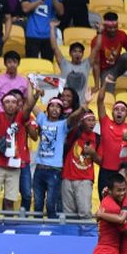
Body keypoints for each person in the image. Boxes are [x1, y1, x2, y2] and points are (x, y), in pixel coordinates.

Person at [32, 90, 91, 218]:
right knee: (37, 203)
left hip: (54, 171)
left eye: (58, 107)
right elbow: (32, 105)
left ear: (61, 111)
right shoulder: (42, 119)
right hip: (39, 169)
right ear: (47, 109)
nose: (54, 109)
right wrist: (35, 95)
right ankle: (35, 230)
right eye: (52, 106)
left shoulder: (63, 125)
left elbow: (74, 117)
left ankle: (52, 233)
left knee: (50, 204)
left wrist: (84, 106)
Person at [0, 84, 38, 211]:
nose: (10, 104)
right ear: (2, 105)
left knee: (9, 202)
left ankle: (8, 229)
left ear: (18, 104)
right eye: (7, 102)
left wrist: (35, 97)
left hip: (14, 168)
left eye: (14, 102)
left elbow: (28, 108)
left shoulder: (22, 117)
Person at [96, 75, 127, 199]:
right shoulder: (105, 123)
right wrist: (105, 83)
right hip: (105, 171)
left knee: (121, 205)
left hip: (122, 172)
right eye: (116, 109)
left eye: (122, 110)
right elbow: (100, 101)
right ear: (112, 112)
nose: (119, 111)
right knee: (105, 202)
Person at [92, 12, 127, 94]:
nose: (113, 30)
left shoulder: (122, 35)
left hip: (118, 65)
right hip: (105, 70)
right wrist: (96, 85)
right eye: (110, 28)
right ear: (104, 27)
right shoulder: (97, 40)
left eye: (115, 27)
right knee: (108, 94)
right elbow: (96, 64)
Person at [61, 110, 100, 218]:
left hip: (85, 180)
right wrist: (84, 106)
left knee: (85, 212)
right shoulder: (74, 133)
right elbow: (71, 121)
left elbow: (101, 161)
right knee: (68, 214)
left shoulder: (97, 138)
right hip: (67, 178)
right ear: (82, 122)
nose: (92, 123)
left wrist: (93, 153)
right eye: (89, 120)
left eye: (93, 120)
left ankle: (85, 235)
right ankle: (70, 235)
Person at [50, 20, 100, 103]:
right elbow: (55, 48)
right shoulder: (64, 64)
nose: (77, 54)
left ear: (83, 54)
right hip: (65, 104)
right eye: (75, 51)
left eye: (80, 52)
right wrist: (52, 28)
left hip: (81, 105)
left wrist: (100, 32)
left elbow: (97, 48)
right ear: (70, 53)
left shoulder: (86, 64)